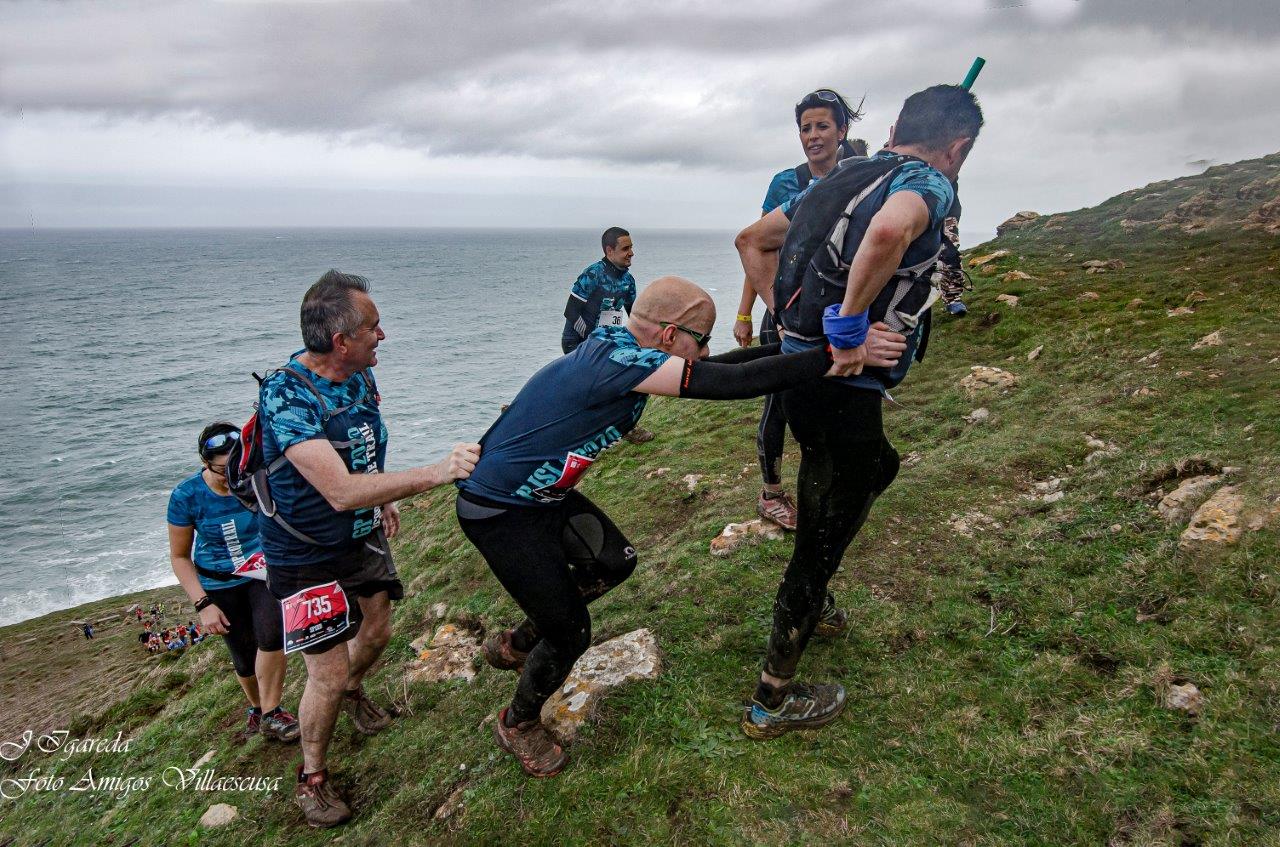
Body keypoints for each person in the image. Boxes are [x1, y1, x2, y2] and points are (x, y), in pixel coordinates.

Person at [457, 275, 897, 778]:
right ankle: (518, 722)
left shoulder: (620, 347)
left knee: (613, 563)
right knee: (571, 632)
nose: (707, 351)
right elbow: (725, 383)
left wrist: (801, 347)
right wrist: (835, 357)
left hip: (541, 498)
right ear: (669, 337)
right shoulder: (619, 363)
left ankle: (516, 644)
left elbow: (727, 366)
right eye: (701, 340)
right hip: (499, 509)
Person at [735, 84, 983, 739]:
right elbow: (890, 229)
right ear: (958, 148)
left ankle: (819, 585)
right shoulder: (930, 184)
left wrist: (795, 329)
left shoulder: (837, 178)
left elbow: (752, 242)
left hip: (800, 377)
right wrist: (844, 329)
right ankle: (772, 699)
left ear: (897, 123)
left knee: (875, 467)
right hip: (840, 389)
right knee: (818, 537)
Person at [257, 269, 481, 828]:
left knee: (377, 630)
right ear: (341, 341)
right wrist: (435, 473)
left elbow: (364, 440)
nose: (383, 336)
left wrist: (381, 492)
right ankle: (312, 776)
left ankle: (354, 692)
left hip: (360, 534)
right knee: (325, 674)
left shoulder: (359, 377)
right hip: (303, 553)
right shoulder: (287, 396)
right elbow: (336, 491)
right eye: (374, 328)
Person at [735, 88, 868, 532]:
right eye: (806, 128)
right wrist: (753, 311)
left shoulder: (859, 175)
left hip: (842, 314)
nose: (813, 136)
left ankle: (832, 482)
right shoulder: (786, 185)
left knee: (838, 399)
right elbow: (759, 247)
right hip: (788, 319)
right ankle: (771, 493)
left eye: (822, 126)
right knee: (779, 402)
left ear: (842, 131)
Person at [168, 421, 301, 744]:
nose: (230, 477)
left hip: (262, 573)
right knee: (243, 655)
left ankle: (272, 713)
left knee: (271, 636)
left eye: (235, 465)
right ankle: (257, 707)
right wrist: (202, 604)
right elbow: (180, 557)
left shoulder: (257, 478)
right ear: (205, 463)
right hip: (218, 584)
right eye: (221, 469)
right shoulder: (186, 496)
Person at [561, 228, 654, 444]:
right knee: (589, 389)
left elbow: (635, 317)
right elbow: (571, 312)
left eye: (632, 247)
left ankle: (626, 427)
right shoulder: (593, 274)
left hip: (605, 342)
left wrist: (645, 342)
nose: (631, 253)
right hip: (577, 341)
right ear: (609, 251)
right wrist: (591, 339)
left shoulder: (628, 281)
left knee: (623, 380)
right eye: (626, 248)